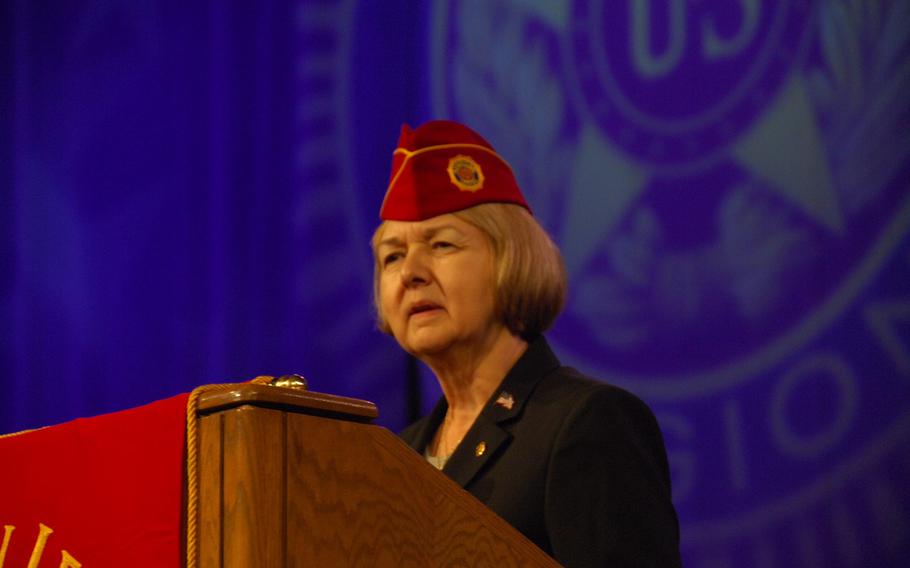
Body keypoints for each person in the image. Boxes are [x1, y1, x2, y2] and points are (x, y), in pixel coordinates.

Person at [372, 120, 681, 567]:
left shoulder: (588, 424)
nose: (410, 273)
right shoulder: (395, 458)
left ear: (511, 262)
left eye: (441, 244)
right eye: (392, 256)